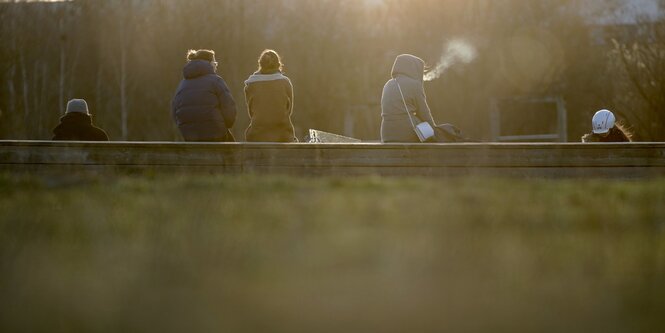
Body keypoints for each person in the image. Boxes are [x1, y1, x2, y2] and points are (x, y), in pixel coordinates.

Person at [171, 49, 237, 142]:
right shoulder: (216, 81)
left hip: (189, 137)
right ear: (209, 63)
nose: (216, 66)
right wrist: (226, 125)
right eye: (215, 63)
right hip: (216, 135)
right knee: (232, 150)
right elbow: (229, 108)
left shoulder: (182, 85)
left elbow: (175, 112)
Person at [380, 54, 438, 143]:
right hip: (406, 134)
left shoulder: (388, 84)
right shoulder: (414, 85)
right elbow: (424, 113)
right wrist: (435, 132)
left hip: (386, 134)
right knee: (432, 137)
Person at [244, 49, 297, 142]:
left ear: (260, 64)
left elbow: (251, 112)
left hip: (257, 134)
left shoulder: (251, 84)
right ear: (278, 64)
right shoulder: (285, 82)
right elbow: (289, 110)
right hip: (283, 134)